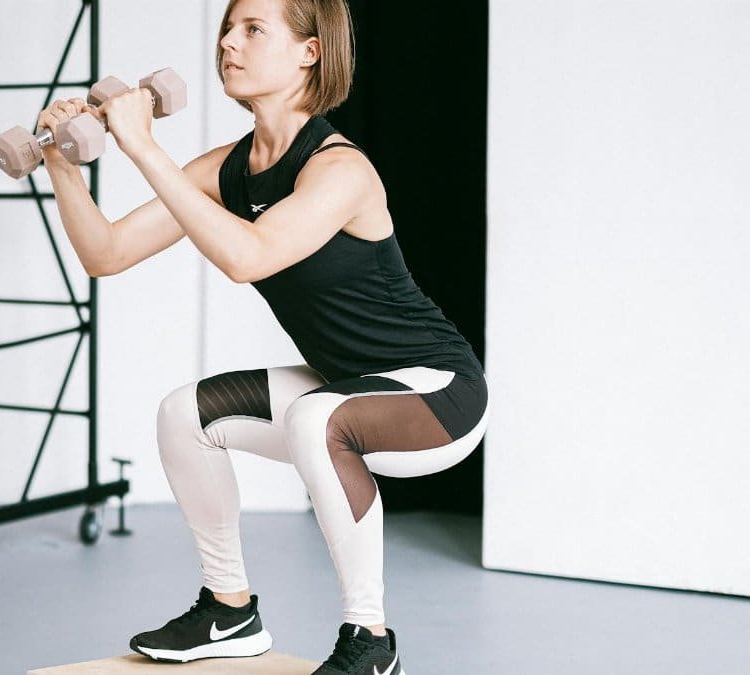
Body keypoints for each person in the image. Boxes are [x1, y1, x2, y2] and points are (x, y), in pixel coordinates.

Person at [36, 0, 489, 673]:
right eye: (227, 28)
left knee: (317, 418)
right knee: (184, 414)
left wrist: (143, 146)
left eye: (253, 30)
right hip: (345, 389)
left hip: (440, 394)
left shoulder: (341, 170)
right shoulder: (230, 170)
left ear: (310, 52)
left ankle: (370, 642)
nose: (229, 43)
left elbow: (249, 256)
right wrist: (60, 161)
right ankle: (229, 610)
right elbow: (106, 253)